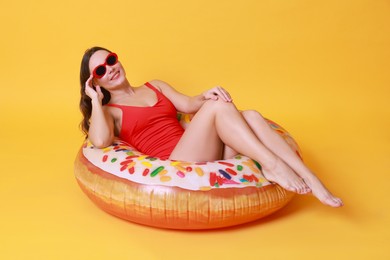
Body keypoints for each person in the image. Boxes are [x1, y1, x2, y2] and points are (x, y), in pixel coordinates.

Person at [79, 46, 343, 208]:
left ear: (118, 59)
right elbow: (101, 141)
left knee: (250, 115)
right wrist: (94, 99)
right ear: (96, 82)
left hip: (204, 151)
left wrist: (207, 94)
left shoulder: (155, 86)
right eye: (100, 71)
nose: (110, 69)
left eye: (110, 60)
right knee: (219, 109)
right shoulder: (110, 112)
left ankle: (311, 179)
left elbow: (190, 104)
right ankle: (272, 165)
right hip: (178, 162)